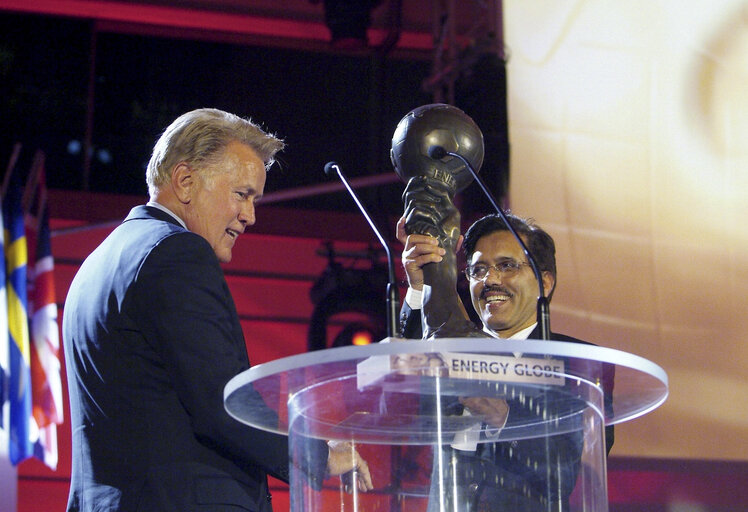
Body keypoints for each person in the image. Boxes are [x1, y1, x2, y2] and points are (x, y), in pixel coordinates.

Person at [62, 108, 372, 512]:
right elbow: (219, 403)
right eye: (242, 194)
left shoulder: (101, 260)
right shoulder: (177, 252)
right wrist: (320, 456)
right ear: (186, 182)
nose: (250, 216)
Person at [397, 212, 614, 511]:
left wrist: (503, 416)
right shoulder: (446, 347)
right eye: (478, 270)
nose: (491, 280)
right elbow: (398, 396)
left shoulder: (580, 365)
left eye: (507, 266)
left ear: (545, 283)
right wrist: (422, 287)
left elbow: (567, 472)